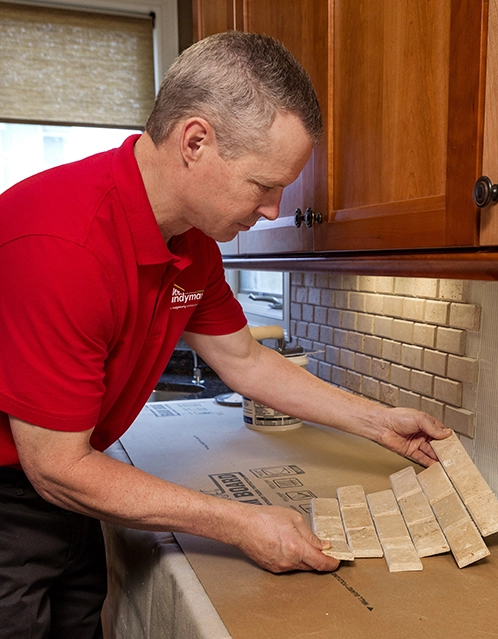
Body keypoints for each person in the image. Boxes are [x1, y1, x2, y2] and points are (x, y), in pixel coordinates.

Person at [0, 31, 451, 638]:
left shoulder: (192, 240)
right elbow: (55, 466)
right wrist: (240, 523)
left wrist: (378, 423)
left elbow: (244, 359)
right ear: (195, 142)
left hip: (64, 482)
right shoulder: (63, 247)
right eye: (264, 184)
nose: (274, 209)